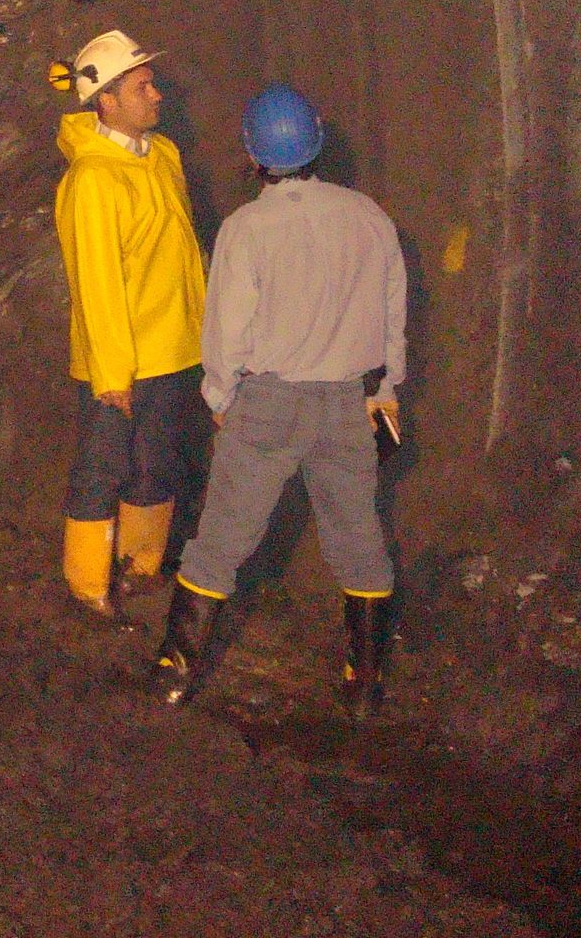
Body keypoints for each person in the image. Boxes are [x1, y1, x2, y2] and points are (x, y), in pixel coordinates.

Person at [152, 83, 405, 718]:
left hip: (268, 402)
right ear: (318, 141)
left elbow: (227, 331)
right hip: (348, 404)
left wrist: (220, 395)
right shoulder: (370, 218)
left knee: (221, 538)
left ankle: (175, 676)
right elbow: (390, 318)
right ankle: (364, 686)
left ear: (254, 156)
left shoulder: (247, 229)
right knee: (358, 538)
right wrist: (386, 391)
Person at [48, 29, 206, 618]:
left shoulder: (163, 156)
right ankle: (88, 585)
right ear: (106, 102)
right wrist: (111, 375)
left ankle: (140, 569)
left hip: (171, 347)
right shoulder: (92, 180)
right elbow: (97, 284)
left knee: (156, 462)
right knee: (104, 466)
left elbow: (185, 255)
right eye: (142, 85)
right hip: (120, 362)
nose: (157, 93)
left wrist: (204, 333)